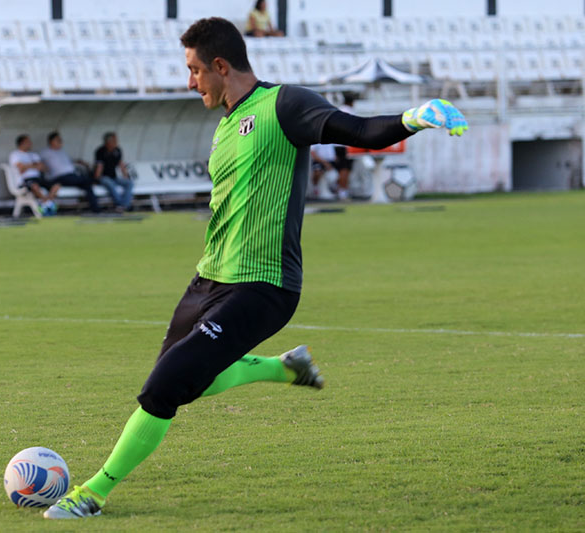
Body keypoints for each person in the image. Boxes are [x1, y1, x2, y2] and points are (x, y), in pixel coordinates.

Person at [44, 17, 468, 520]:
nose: (190, 82)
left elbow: (359, 132)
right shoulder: (225, 124)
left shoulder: (284, 105)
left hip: (263, 286)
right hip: (208, 279)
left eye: (195, 70)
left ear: (221, 66)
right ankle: (284, 369)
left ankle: (92, 494)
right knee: (184, 381)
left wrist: (418, 115)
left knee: (163, 389)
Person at [39, 132, 100, 214]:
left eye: (60, 140)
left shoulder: (62, 152)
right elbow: (37, 163)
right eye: (58, 140)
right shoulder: (45, 153)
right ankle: (92, 180)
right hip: (59, 177)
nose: (60, 141)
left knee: (87, 185)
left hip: (71, 176)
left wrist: (79, 161)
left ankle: (96, 209)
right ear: (51, 141)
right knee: (84, 180)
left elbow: (69, 162)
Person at [8, 134, 58, 216]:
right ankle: (48, 204)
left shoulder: (33, 154)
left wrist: (27, 166)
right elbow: (21, 168)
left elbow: (43, 167)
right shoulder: (15, 154)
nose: (30, 143)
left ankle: (47, 203)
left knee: (56, 185)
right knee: (34, 186)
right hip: (25, 180)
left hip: (38, 178)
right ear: (22, 143)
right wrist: (34, 165)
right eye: (28, 142)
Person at [93, 132, 134, 212]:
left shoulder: (117, 150)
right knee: (110, 183)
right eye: (114, 141)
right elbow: (99, 166)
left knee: (129, 183)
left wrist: (125, 176)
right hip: (103, 177)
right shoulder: (100, 151)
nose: (116, 142)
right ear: (108, 142)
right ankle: (120, 204)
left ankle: (123, 205)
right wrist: (96, 179)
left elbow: (121, 164)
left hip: (113, 177)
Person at [332, 93, 357, 200]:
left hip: (336, 144)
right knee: (345, 169)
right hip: (346, 145)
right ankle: (342, 190)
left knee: (341, 169)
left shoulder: (338, 110)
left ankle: (340, 189)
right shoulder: (350, 112)